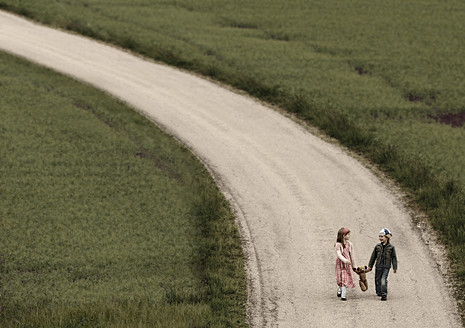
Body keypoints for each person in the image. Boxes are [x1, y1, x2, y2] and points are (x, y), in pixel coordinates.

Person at [367, 228, 398, 301]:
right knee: (377, 280)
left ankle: (384, 294)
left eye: (382, 236)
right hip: (378, 266)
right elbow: (373, 257)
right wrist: (370, 266)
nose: (380, 238)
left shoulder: (391, 247)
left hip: (386, 267)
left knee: (383, 279)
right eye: (379, 236)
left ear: (387, 237)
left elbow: (394, 257)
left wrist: (395, 267)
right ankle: (379, 291)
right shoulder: (377, 247)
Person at [334, 227, 356, 301]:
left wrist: (354, 266)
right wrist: (345, 260)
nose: (349, 236)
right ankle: (339, 289)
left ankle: (343, 296)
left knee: (345, 279)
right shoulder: (338, 245)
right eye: (348, 234)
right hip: (340, 265)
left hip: (347, 265)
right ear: (343, 235)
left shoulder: (350, 244)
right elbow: (339, 255)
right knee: (339, 279)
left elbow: (352, 255)